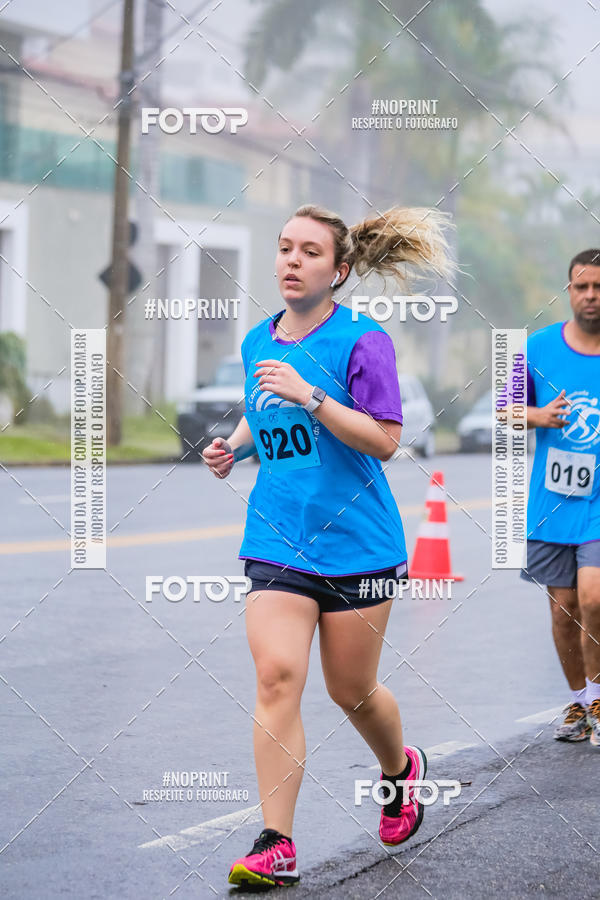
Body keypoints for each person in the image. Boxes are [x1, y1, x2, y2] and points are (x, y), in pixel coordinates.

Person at [202, 203, 454, 889]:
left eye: (310, 252)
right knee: (276, 677)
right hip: (278, 540)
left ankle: (400, 771)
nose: (292, 260)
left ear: (339, 271)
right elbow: (264, 414)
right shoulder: (258, 341)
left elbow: (385, 439)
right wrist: (234, 447)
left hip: (358, 548)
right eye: (285, 247)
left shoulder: (363, 342)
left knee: (352, 690)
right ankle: (276, 843)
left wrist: (313, 395)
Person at [518, 249, 600, 746]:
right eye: (582, 286)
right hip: (553, 501)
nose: (591, 295)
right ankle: (579, 702)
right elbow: (504, 409)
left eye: (599, 287)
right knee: (563, 609)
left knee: (594, 597)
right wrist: (537, 416)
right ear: (569, 291)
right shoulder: (536, 347)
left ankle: (599, 698)